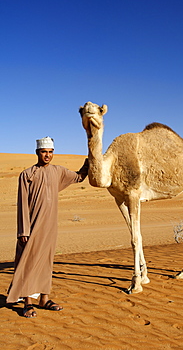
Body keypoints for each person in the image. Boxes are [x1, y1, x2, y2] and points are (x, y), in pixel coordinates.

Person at [7, 136, 88, 318]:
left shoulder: (58, 171)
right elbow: (22, 205)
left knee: (46, 262)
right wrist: (23, 231)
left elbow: (79, 177)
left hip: (50, 226)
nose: (47, 156)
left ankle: (44, 299)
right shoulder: (27, 175)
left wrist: (90, 161)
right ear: (37, 152)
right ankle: (27, 302)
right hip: (31, 227)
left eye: (51, 152)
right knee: (28, 263)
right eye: (44, 152)